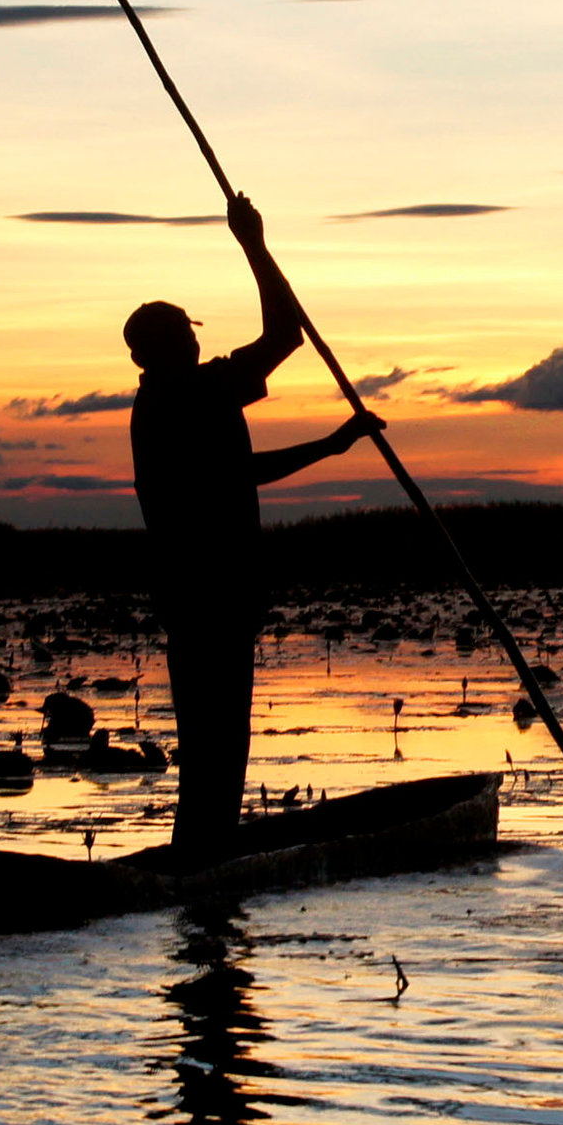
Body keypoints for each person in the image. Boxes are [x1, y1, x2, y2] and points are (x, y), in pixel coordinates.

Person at [127, 192, 385, 854]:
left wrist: (331, 445)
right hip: (211, 595)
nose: (196, 339)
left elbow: (237, 471)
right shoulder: (190, 393)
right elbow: (284, 337)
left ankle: (203, 867)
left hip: (195, 597)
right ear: (160, 351)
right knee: (217, 747)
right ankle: (203, 867)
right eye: (184, 334)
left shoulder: (163, 401)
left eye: (192, 331)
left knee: (211, 752)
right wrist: (254, 245)